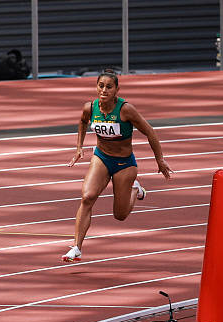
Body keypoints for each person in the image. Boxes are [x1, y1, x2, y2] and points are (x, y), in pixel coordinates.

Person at [63, 70, 172, 262]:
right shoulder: (90, 107)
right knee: (87, 197)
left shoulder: (126, 110)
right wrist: (79, 148)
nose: (104, 90)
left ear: (116, 90)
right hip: (101, 158)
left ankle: (135, 190)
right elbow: (82, 122)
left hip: (124, 163)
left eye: (109, 87)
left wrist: (160, 160)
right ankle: (77, 247)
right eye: (101, 86)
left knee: (120, 215)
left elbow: (150, 132)